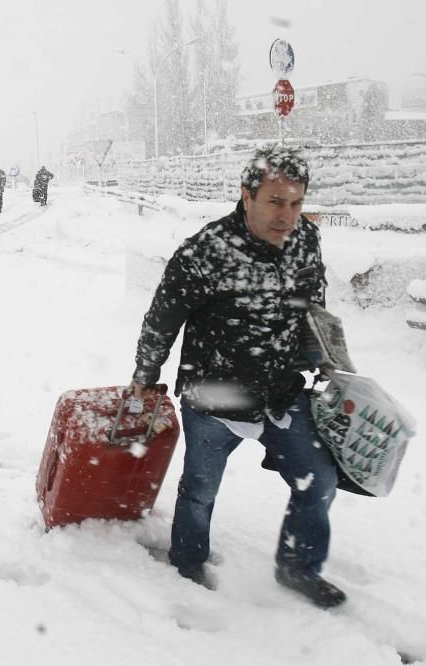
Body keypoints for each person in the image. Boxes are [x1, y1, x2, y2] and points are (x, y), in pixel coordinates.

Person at [130, 145, 345, 608]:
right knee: (200, 490)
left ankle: (298, 567)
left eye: (296, 203)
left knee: (319, 480)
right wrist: (144, 377)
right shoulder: (205, 251)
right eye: (274, 201)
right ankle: (187, 562)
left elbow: (314, 304)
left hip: (282, 391)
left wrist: (327, 358)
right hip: (214, 393)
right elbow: (162, 318)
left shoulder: (306, 239)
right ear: (246, 196)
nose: (286, 216)